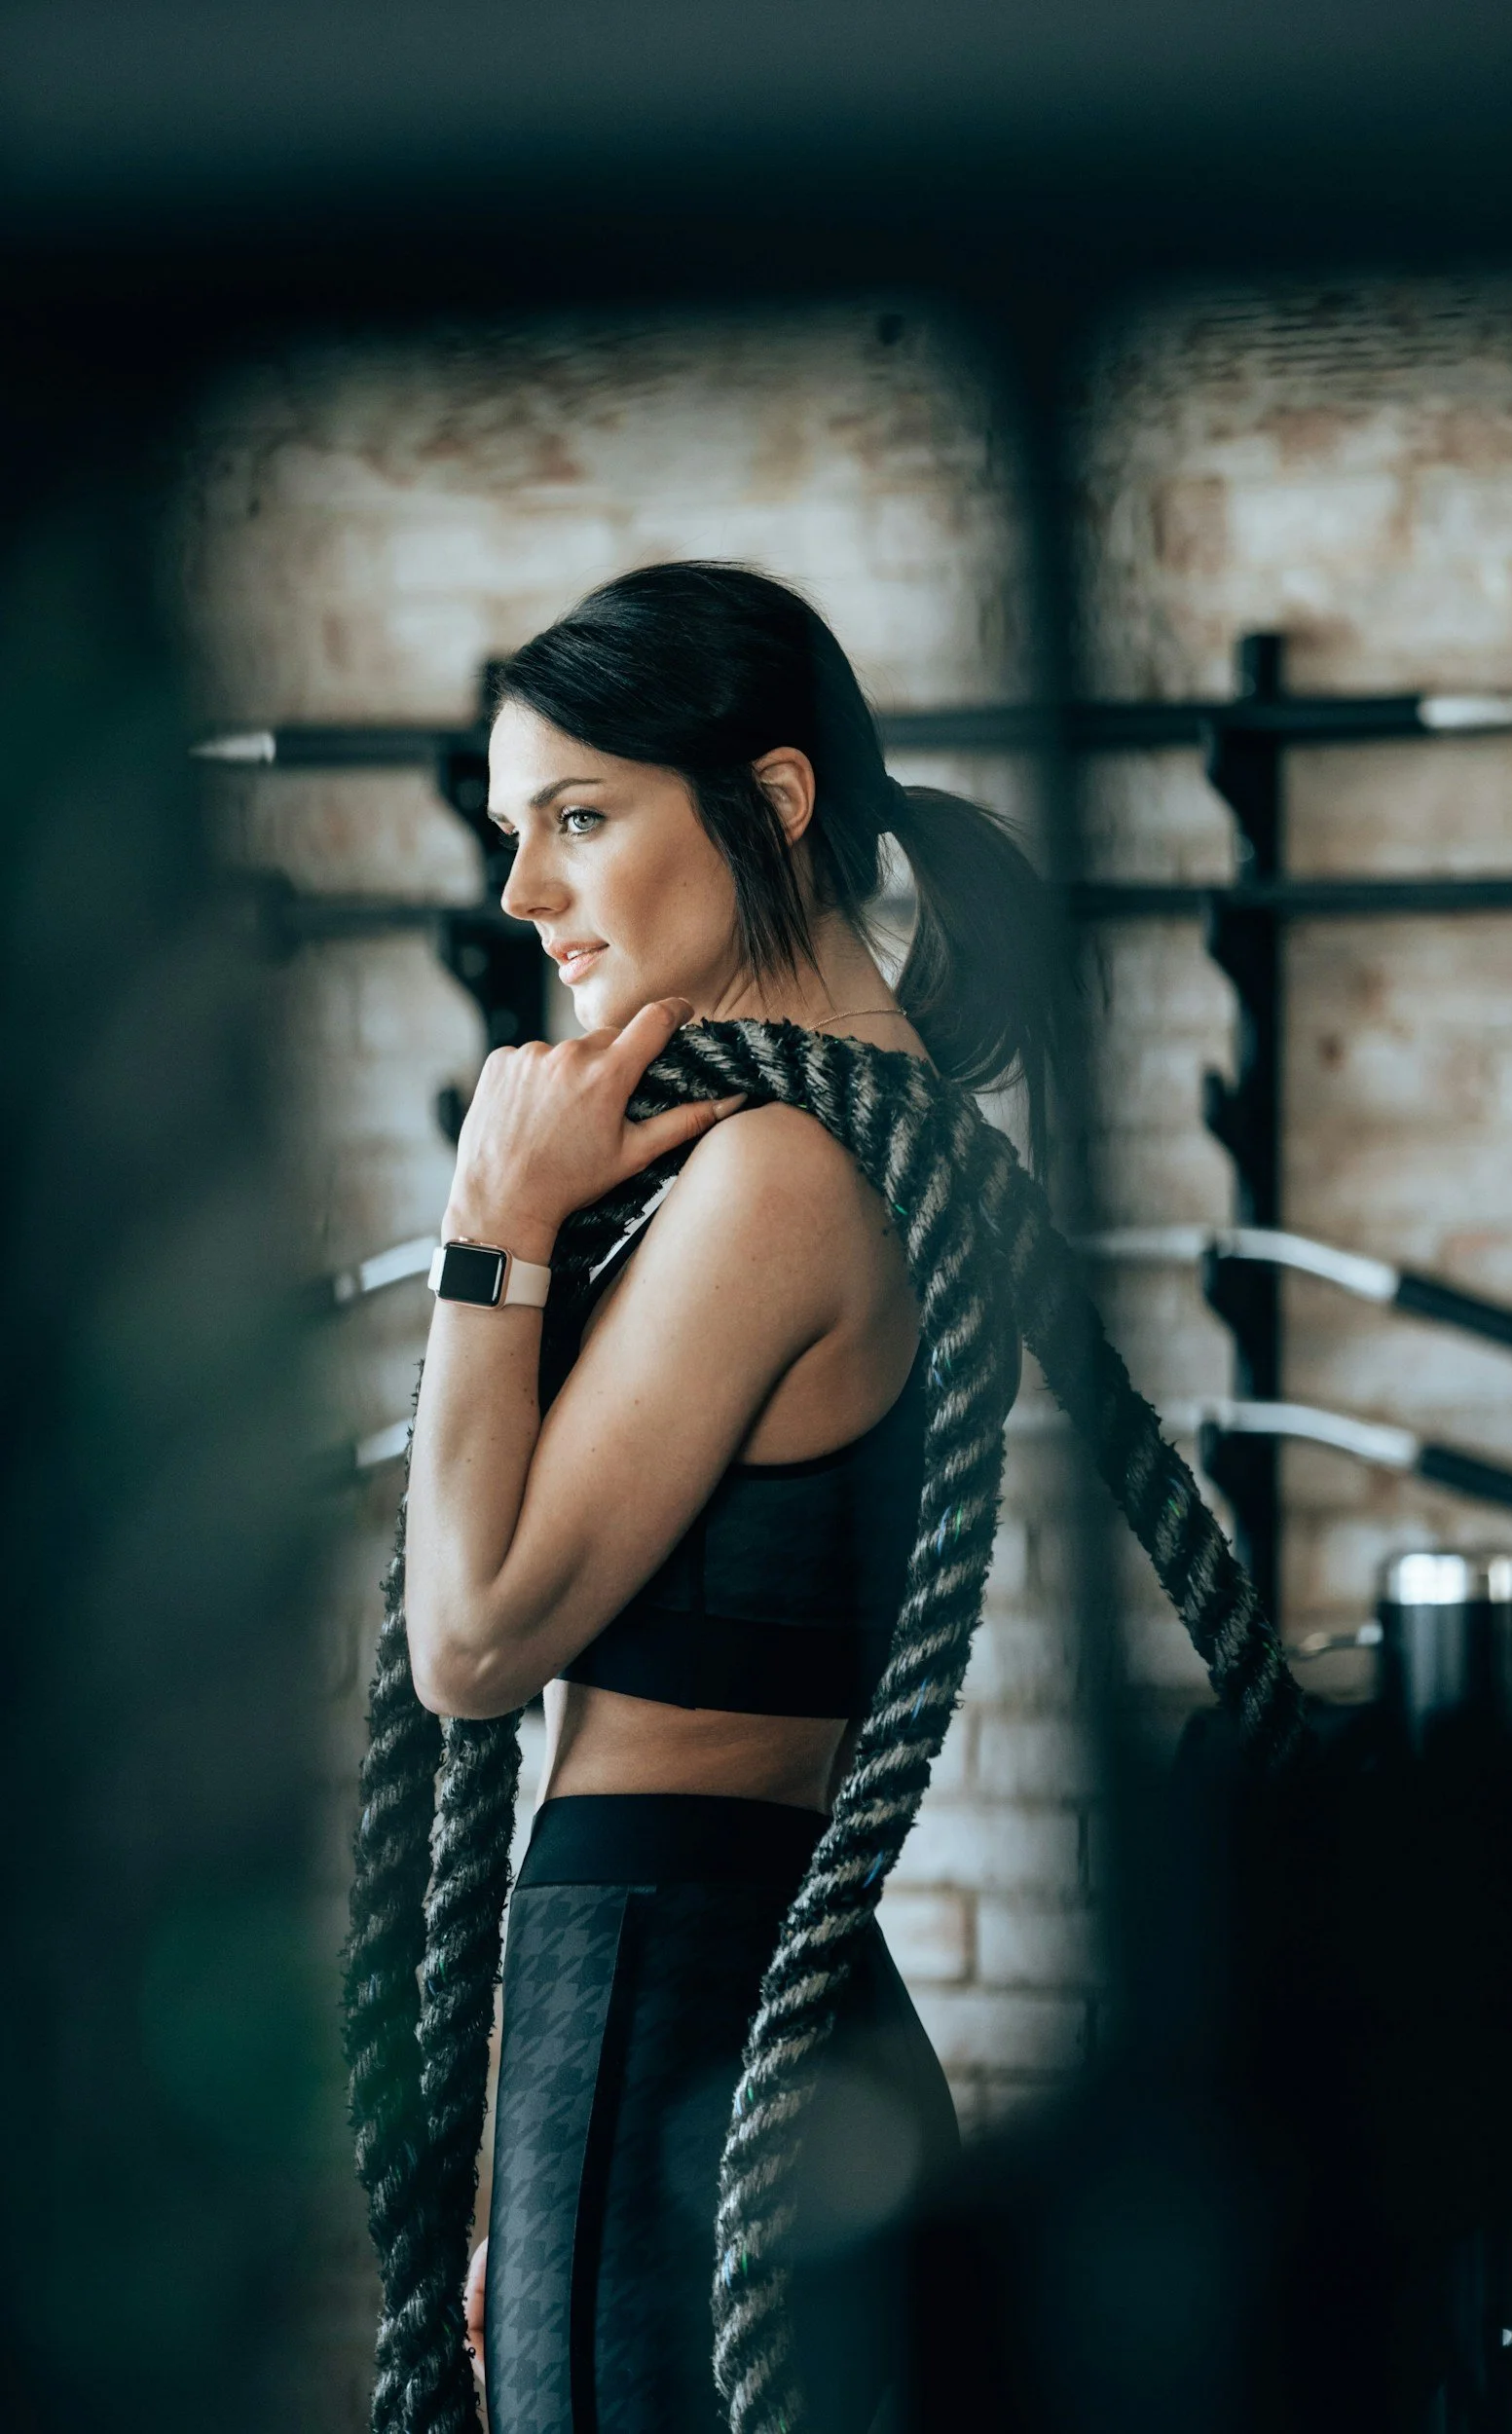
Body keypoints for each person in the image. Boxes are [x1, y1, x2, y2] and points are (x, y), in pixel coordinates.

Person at [400, 562, 1056, 2433]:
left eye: (581, 819)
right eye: (514, 831)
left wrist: (492, 1220)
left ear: (772, 803)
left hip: (670, 2008)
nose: (525, 893)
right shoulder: (878, 1123)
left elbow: (473, 1641)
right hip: (733, 1999)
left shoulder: (782, 1172)